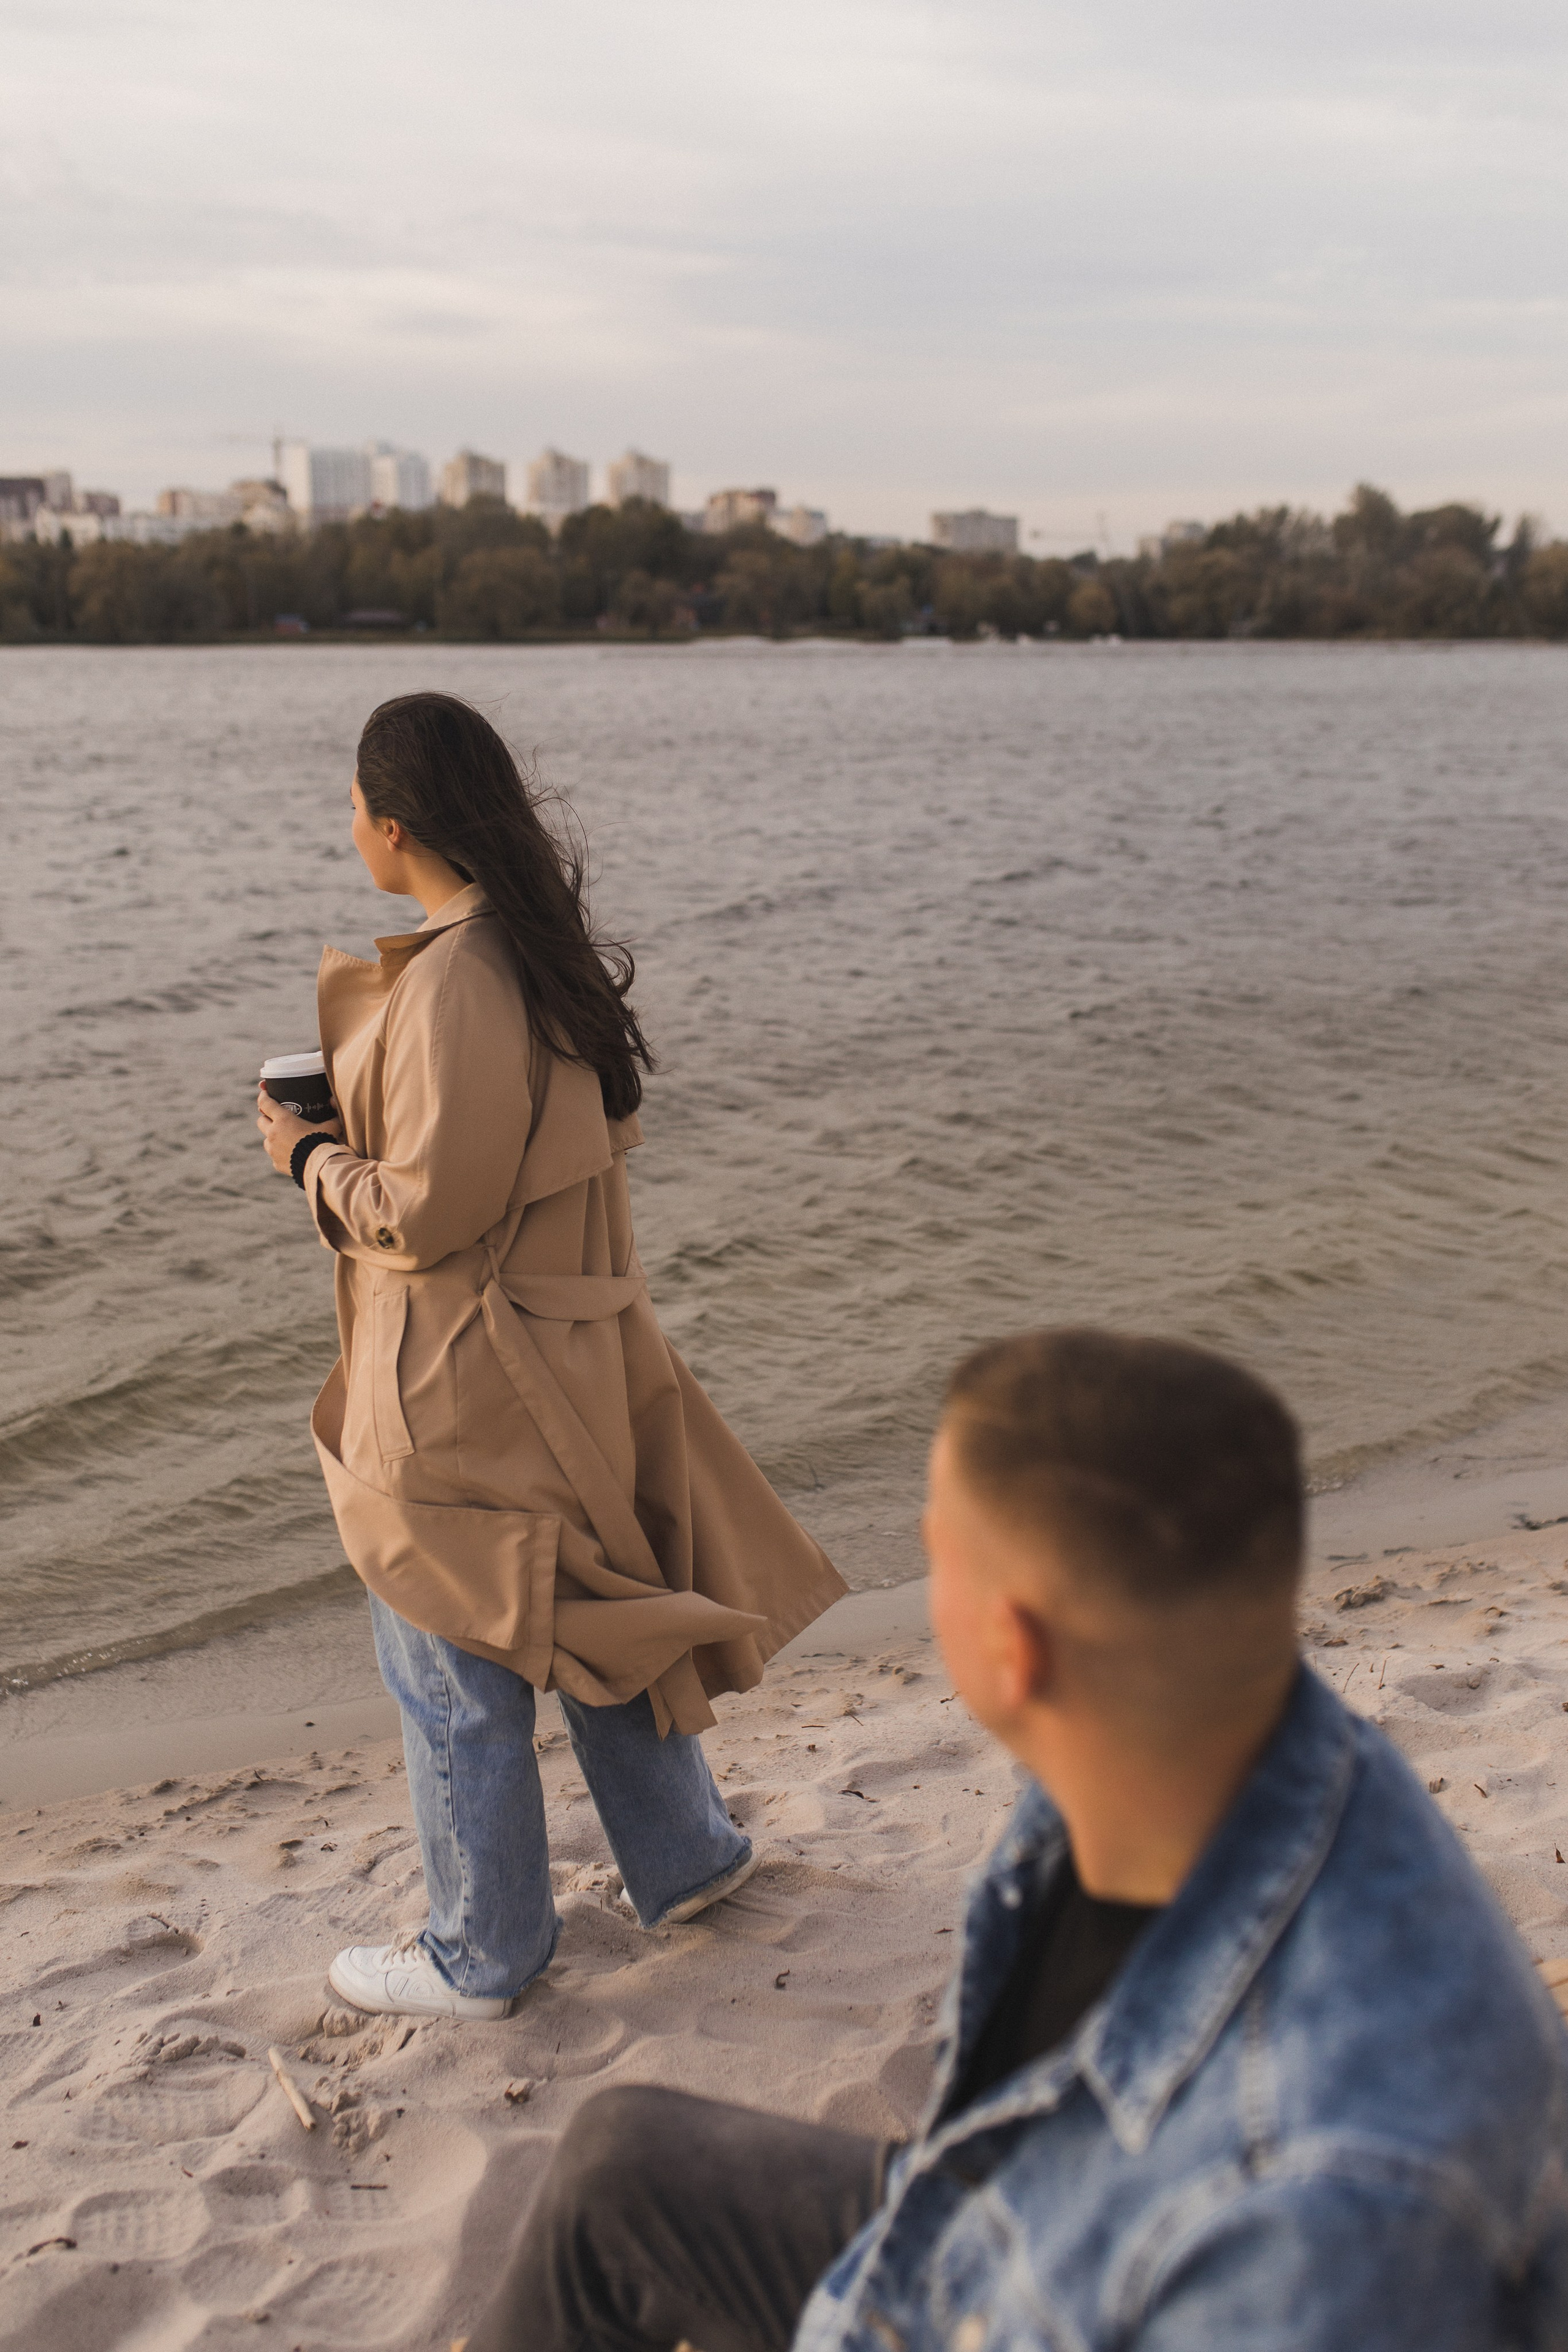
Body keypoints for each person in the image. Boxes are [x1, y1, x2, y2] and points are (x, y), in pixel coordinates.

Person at [461, 1328, 1568, 2351]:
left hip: (1081, 2284)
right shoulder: (1194, 1737)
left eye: (939, 1557)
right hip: (1035, 2219)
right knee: (620, 2169)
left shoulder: (1316, 2222)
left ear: (1013, 1644)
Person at [255, 691, 845, 2021]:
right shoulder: (527, 948)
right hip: (559, 1347)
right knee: (579, 1600)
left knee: (443, 1637)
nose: (345, 829)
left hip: (471, 1366)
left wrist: (306, 1156)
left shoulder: (461, 977)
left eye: (350, 808)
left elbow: (427, 1211)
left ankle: (483, 1949)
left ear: (391, 824)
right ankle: (685, 1856)